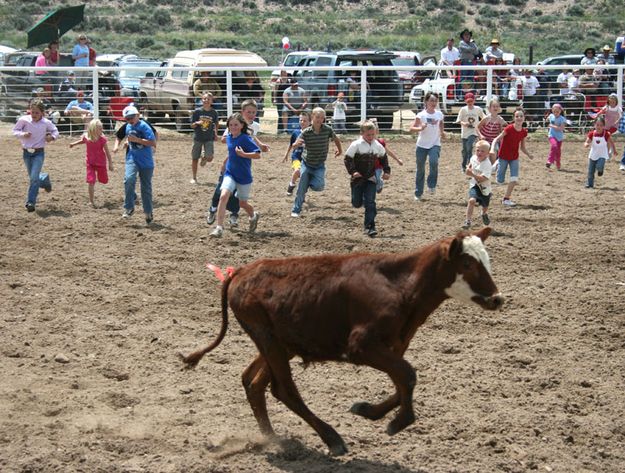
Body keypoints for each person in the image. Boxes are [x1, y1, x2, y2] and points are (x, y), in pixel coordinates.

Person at [207, 99, 268, 226]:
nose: (251, 114)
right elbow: (225, 139)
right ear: (242, 112)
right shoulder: (234, 123)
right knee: (221, 190)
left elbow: (252, 138)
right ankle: (213, 210)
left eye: (253, 112)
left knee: (237, 196)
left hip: (242, 162)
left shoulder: (254, 127)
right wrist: (234, 135)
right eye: (249, 112)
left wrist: (260, 145)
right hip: (231, 160)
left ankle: (234, 214)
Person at [290, 107, 343, 218]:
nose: (319, 119)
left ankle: (308, 183)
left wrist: (340, 149)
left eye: (322, 117)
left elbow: (336, 139)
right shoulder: (306, 132)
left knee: (319, 187)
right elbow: (295, 144)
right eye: (317, 117)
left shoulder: (327, 130)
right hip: (307, 163)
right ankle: (296, 210)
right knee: (301, 189)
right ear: (312, 117)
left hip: (319, 165)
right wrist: (296, 144)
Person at [344, 120, 390, 237]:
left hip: (370, 178)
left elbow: (384, 158)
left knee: (370, 202)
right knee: (356, 203)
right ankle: (362, 202)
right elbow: (348, 159)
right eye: (368, 135)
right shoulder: (356, 145)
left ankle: (370, 227)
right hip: (358, 179)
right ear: (362, 133)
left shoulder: (377, 145)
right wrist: (353, 172)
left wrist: (387, 171)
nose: (370, 137)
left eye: (372, 134)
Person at [12, 100, 59, 212]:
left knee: (33, 178)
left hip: (39, 153)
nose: (34, 115)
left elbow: (55, 131)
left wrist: (52, 137)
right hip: (26, 153)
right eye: (32, 112)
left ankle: (30, 202)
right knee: (33, 177)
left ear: (42, 113)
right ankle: (44, 179)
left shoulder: (46, 122)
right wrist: (22, 134)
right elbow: (15, 130)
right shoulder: (24, 120)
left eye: (37, 113)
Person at [120, 105, 157, 224]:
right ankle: (129, 207)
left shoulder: (144, 126)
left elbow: (152, 142)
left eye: (131, 117)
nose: (130, 120)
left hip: (146, 160)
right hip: (132, 158)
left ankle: (148, 211)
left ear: (137, 115)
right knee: (129, 179)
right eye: (127, 119)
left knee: (145, 187)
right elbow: (129, 137)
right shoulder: (128, 127)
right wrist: (127, 142)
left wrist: (136, 140)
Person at [491, 107, 534, 206]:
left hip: (514, 158)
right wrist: (492, 148)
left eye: (521, 116)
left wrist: (528, 154)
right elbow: (496, 139)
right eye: (517, 116)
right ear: (514, 118)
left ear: (524, 118)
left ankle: (506, 199)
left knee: (514, 179)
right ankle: (497, 164)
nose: (519, 118)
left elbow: (522, 147)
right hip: (503, 157)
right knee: (500, 181)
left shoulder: (524, 132)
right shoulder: (509, 128)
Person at [69, 119, 113, 207]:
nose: (102, 130)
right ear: (93, 129)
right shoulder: (87, 137)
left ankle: (100, 179)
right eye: (100, 128)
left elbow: (107, 152)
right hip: (90, 163)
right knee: (91, 181)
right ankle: (91, 201)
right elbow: (83, 141)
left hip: (101, 163)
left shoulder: (102, 139)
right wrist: (74, 143)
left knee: (104, 180)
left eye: (101, 128)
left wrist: (110, 163)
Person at [410, 92, 445, 201]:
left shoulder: (439, 114)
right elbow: (411, 129)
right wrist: (420, 128)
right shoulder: (421, 115)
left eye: (435, 100)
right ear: (426, 102)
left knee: (434, 162)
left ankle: (431, 185)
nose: (433, 103)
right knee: (420, 169)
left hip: (435, 144)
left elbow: (441, 124)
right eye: (431, 100)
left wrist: (442, 132)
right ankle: (418, 193)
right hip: (421, 145)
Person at [463, 140, 493, 229]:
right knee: (471, 200)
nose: (479, 152)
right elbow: (470, 165)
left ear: (487, 153)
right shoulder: (473, 158)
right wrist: (468, 168)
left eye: (482, 151)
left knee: (485, 205)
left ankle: (484, 214)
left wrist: (471, 174)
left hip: (484, 187)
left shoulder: (487, 164)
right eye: (477, 150)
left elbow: (483, 178)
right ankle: (467, 221)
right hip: (475, 185)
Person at [189, 92, 219, 184]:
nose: (206, 100)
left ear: (211, 101)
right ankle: (194, 177)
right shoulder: (197, 112)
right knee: (194, 158)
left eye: (208, 99)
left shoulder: (214, 112)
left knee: (210, 158)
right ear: (202, 100)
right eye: (204, 98)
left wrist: (216, 133)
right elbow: (192, 125)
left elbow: (216, 123)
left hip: (209, 137)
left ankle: (204, 156)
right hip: (198, 137)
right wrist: (197, 123)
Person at [282, 111, 310, 196]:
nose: (302, 122)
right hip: (296, 157)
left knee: (304, 176)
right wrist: (286, 154)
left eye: (305, 121)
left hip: (307, 159)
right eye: (301, 120)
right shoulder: (295, 132)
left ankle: (302, 193)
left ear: (309, 122)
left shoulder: (312, 133)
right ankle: (292, 184)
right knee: (297, 170)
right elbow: (291, 145)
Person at [456, 92, 485, 172]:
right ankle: (464, 165)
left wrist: (479, 125)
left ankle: (470, 165)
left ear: (474, 101)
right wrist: (464, 123)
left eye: (471, 101)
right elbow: (459, 120)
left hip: (474, 131)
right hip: (465, 132)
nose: (469, 103)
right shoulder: (463, 109)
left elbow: (484, 118)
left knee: (469, 147)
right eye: (468, 101)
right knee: (465, 150)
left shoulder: (478, 109)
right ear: (465, 101)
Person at [584, 116, 616, 188]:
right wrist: (586, 144)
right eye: (597, 125)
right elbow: (587, 141)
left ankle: (600, 170)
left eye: (601, 125)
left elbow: (611, 142)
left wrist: (614, 150)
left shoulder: (606, 134)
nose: (599, 127)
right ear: (594, 125)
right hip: (593, 154)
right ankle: (589, 184)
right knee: (590, 171)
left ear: (604, 126)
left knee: (599, 165)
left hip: (602, 154)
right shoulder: (591, 133)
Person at [545, 103, 566, 170]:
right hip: (552, 135)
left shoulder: (562, 119)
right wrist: (546, 121)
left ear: (560, 111)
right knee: (554, 146)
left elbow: (561, 128)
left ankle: (558, 163)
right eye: (554, 111)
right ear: (552, 110)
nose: (556, 113)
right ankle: (550, 161)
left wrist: (551, 125)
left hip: (559, 137)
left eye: (557, 111)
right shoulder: (551, 116)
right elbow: (547, 120)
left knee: (558, 152)